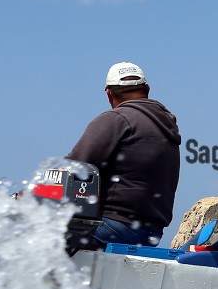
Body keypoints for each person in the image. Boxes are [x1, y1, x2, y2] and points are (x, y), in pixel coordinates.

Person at [66, 62, 180, 249]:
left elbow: (73, 167)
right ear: (147, 89)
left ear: (109, 94)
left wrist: (27, 195)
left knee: (35, 237)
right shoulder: (167, 127)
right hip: (151, 232)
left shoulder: (116, 120)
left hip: (113, 226)